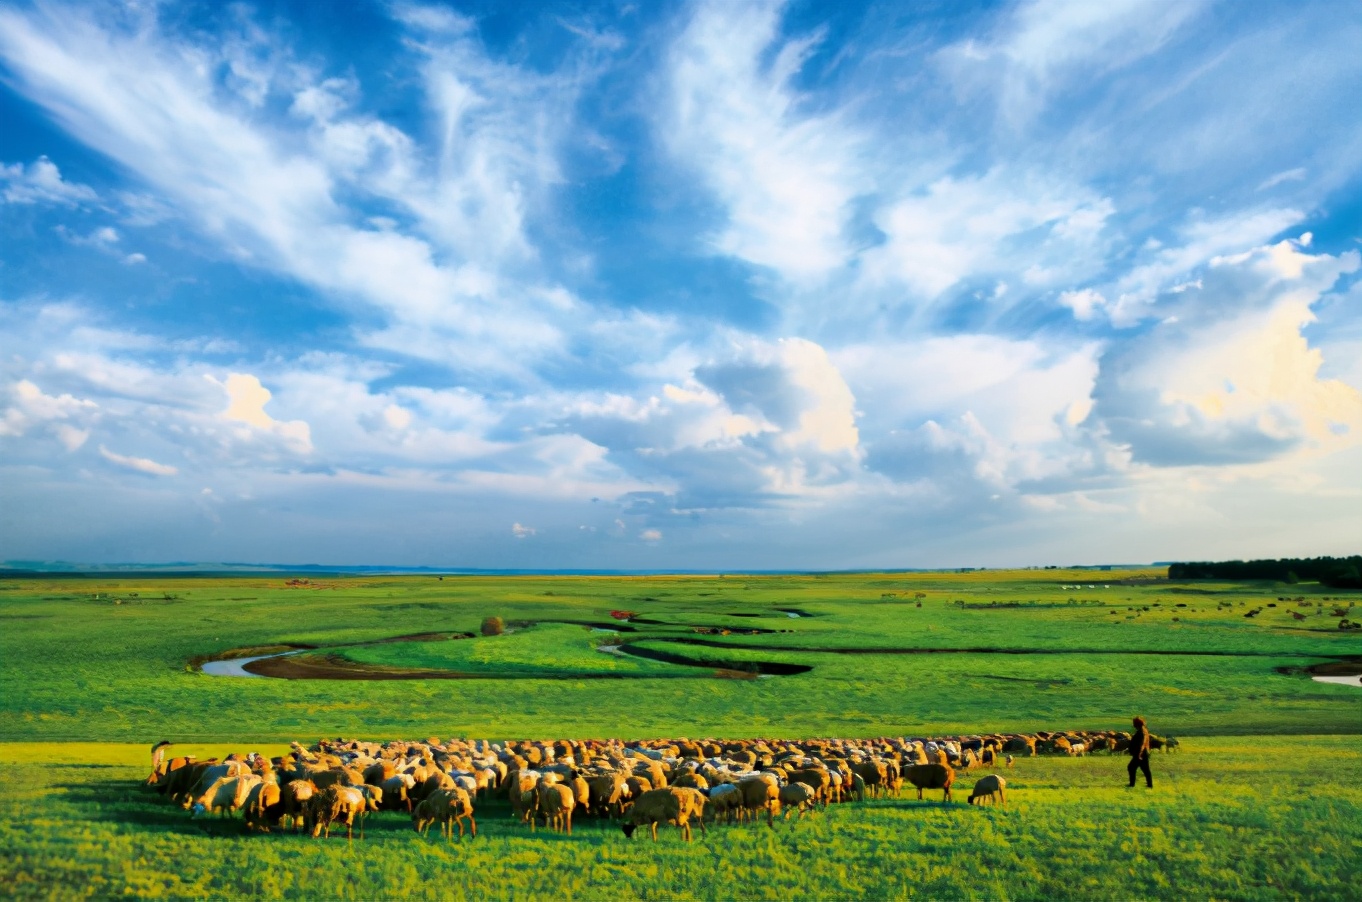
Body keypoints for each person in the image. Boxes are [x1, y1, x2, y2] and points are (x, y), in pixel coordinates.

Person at [1127, 716, 1153, 788]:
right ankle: (1149, 785)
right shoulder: (1142, 730)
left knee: (1131, 767)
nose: (1133, 725)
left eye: (1134, 723)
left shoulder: (1142, 731)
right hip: (1142, 753)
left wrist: (1140, 754)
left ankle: (1132, 785)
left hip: (1141, 753)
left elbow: (1142, 743)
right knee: (1145, 769)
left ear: (1137, 723)